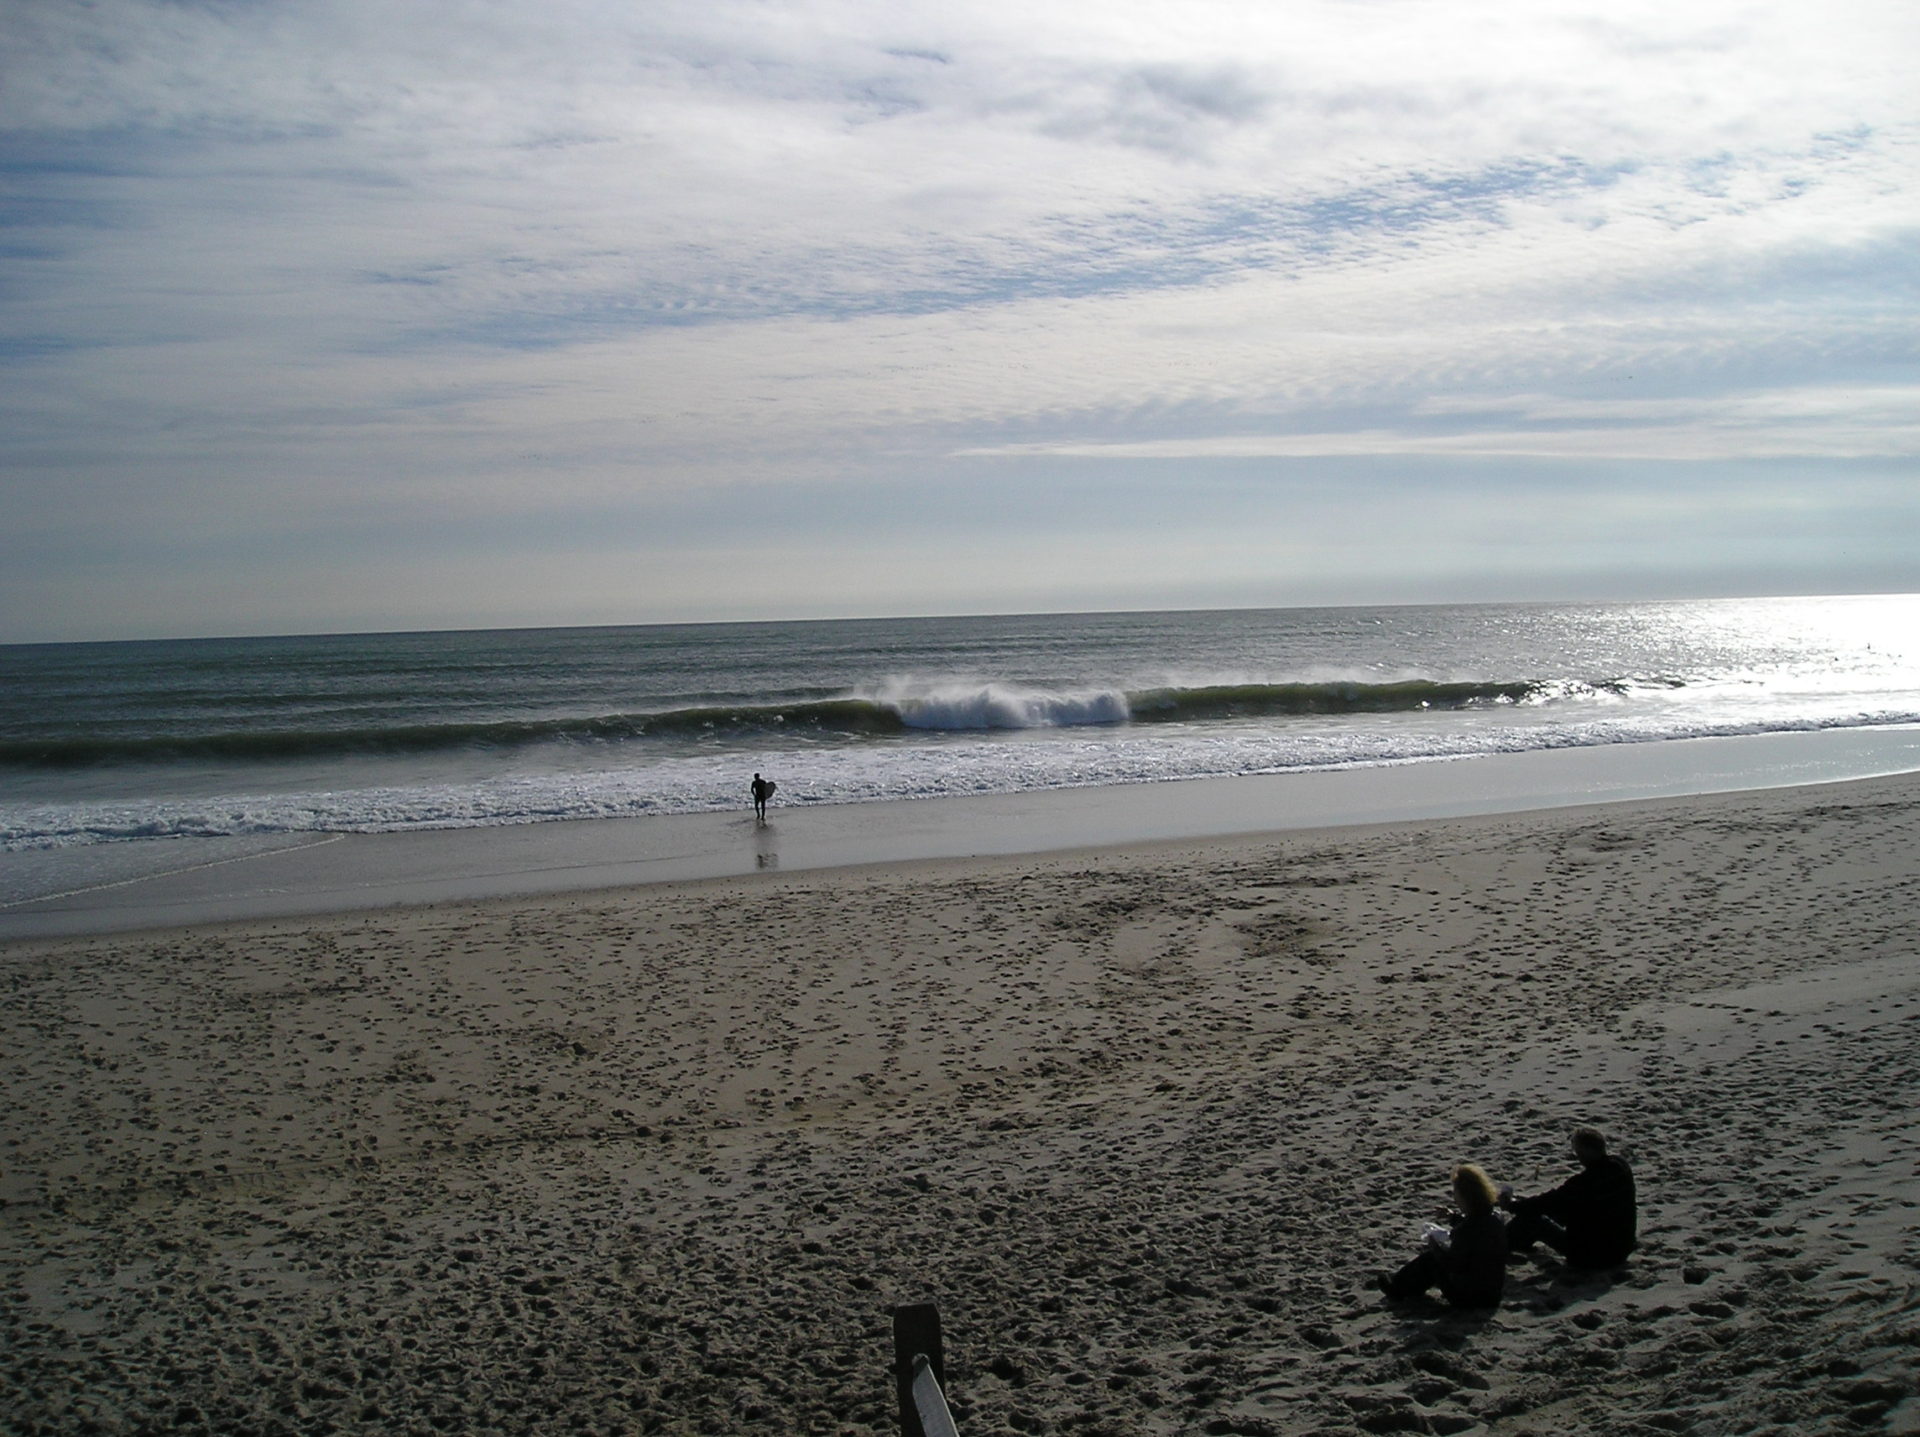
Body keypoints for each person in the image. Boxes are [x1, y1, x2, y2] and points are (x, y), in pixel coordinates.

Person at [1502, 1126, 1637, 1269]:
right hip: (1622, 1249)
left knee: (1532, 1218)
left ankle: (1499, 1245)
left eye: (1578, 1151)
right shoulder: (1621, 1166)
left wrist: (1511, 1206)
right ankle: (1520, 1242)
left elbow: (1548, 1202)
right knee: (1555, 1211)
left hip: (1590, 1255)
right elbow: (1557, 1201)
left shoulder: (1584, 1182)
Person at [1377, 1163, 1507, 1308]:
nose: (1455, 1199)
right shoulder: (1494, 1219)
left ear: (1466, 1197)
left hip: (1471, 1298)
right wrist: (1452, 1217)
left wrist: (1435, 1246)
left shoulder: (1467, 1230)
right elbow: (1475, 1227)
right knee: (1434, 1258)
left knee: (1431, 1259)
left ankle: (1397, 1289)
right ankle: (1403, 1285)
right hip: (1493, 1295)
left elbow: (1454, 1264)